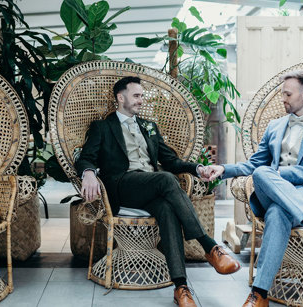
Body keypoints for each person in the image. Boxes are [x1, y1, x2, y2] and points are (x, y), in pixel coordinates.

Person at [75, 76, 241, 307]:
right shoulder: (103, 127)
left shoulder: (149, 127)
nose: (141, 100)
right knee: (165, 179)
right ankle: (209, 246)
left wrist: (198, 168)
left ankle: (180, 287)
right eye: (136, 95)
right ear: (120, 98)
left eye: (142, 95)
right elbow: (85, 158)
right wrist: (89, 173)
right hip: (122, 186)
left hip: (150, 187)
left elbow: (170, 161)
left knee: (167, 209)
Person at [203, 71, 303, 307]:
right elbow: (254, 165)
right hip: (273, 192)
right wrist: (224, 169)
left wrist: (278, 174)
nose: (283, 98)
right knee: (261, 172)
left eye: (288, 94)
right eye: (282, 94)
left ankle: (259, 294)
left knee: (278, 212)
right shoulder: (275, 126)